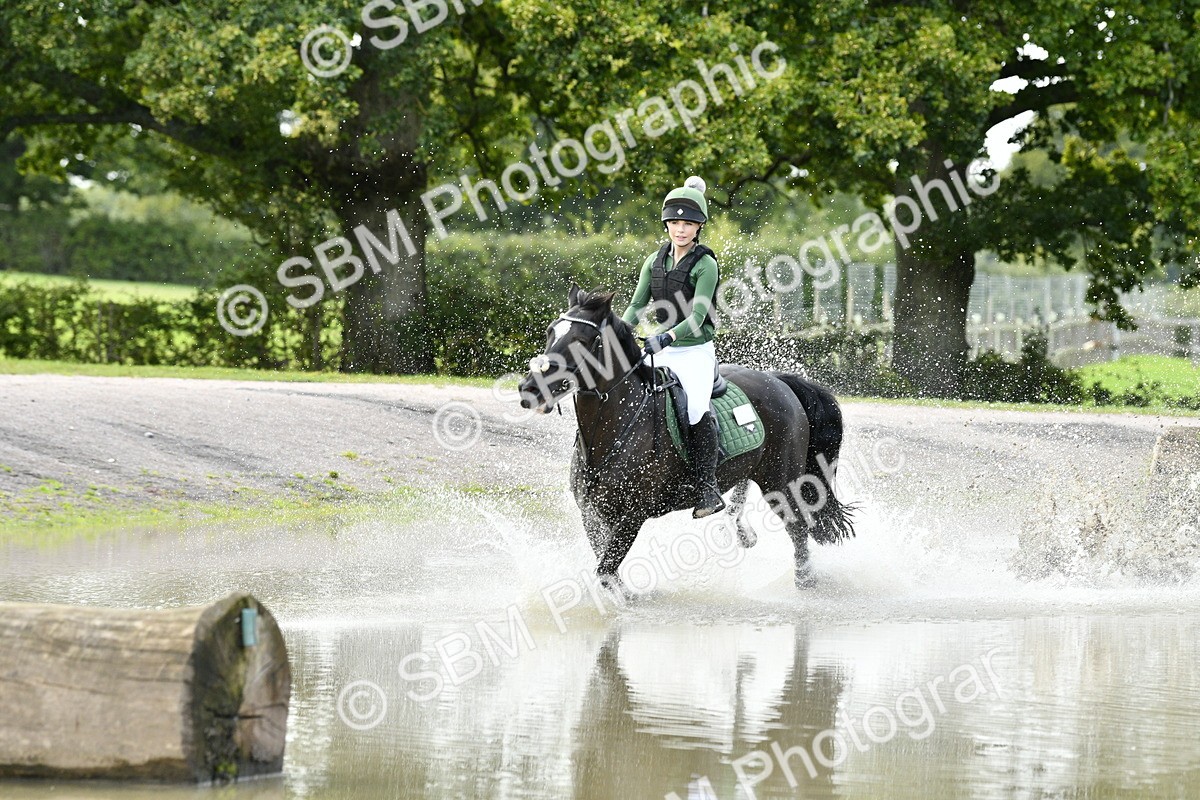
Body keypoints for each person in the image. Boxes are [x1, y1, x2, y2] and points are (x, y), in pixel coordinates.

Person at [621, 175, 725, 518]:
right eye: (675, 223)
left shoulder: (705, 264)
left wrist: (665, 337)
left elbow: (698, 316)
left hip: (695, 350)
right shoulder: (654, 261)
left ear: (699, 227)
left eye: (689, 224)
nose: (681, 230)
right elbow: (637, 306)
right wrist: (619, 333)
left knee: (694, 408)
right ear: (667, 224)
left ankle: (708, 489)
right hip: (664, 348)